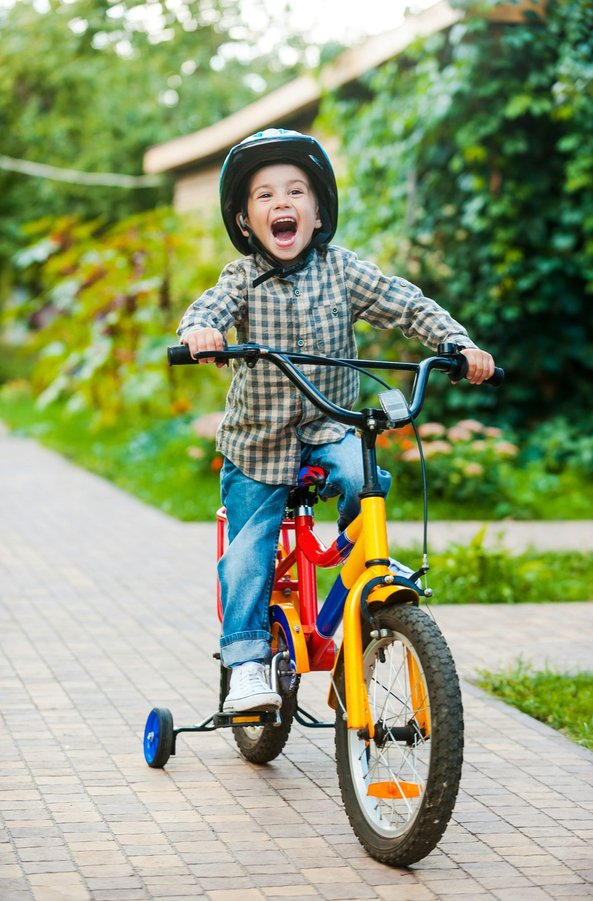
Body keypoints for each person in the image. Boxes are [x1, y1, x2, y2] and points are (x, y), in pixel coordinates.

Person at [178, 128, 494, 713]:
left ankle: (365, 558)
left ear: (318, 208)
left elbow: (405, 303)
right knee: (250, 548)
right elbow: (209, 309)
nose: (282, 204)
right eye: (265, 195)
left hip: (329, 429)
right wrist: (202, 332)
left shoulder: (343, 272)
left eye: (296, 191)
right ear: (246, 220)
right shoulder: (241, 279)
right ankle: (246, 661)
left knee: (362, 473)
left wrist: (455, 341)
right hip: (258, 444)